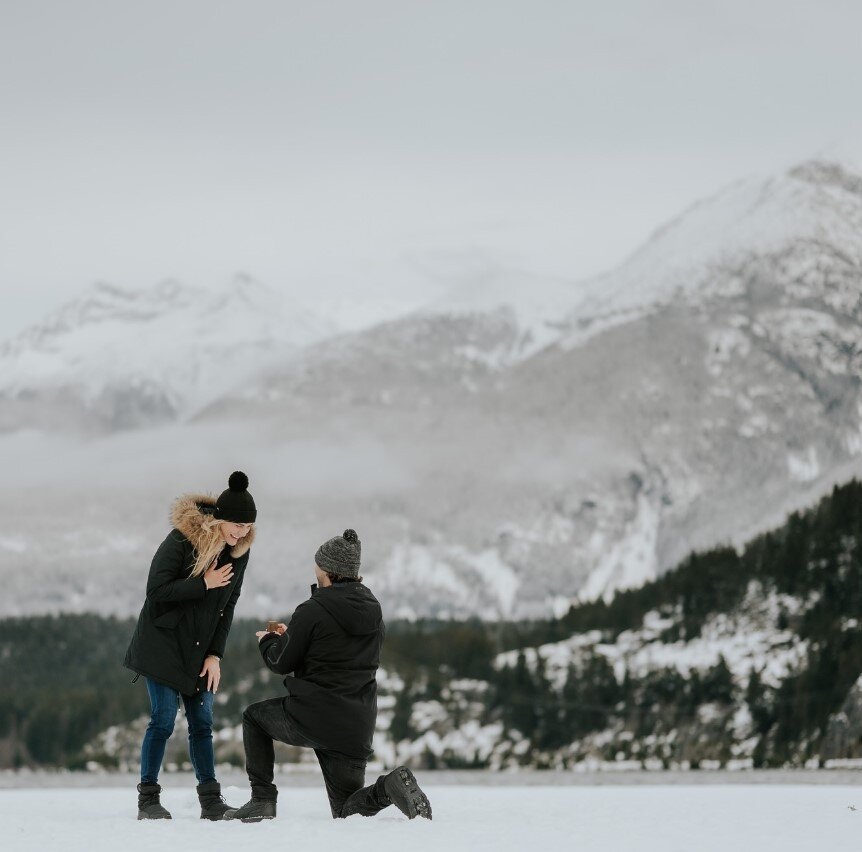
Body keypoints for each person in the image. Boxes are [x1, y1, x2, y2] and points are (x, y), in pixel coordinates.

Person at [225, 528, 432, 823]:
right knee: (347, 811)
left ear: (328, 571)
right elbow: (339, 653)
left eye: (318, 567)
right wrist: (294, 636)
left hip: (314, 716)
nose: (315, 571)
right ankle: (388, 787)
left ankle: (262, 800)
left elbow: (280, 662)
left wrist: (268, 641)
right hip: (355, 725)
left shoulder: (313, 610)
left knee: (254, 718)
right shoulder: (374, 613)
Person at [124, 471, 257, 820]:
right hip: (162, 644)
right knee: (163, 720)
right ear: (221, 519)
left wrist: (215, 654)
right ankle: (148, 801)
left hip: (200, 650)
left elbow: (228, 607)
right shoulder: (182, 540)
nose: (241, 532)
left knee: (202, 723)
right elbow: (157, 592)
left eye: (248, 526)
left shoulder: (239, 553)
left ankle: (211, 803)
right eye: (237, 524)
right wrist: (203, 583)